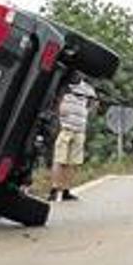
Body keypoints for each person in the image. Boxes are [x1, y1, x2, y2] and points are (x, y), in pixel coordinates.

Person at [48, 73, 97, 202]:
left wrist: (85, 113)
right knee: (60, 160)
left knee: (73, 162)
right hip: (65, 128)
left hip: (80, 130)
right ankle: (54, 188)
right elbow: (54, 100)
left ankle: (66, 190)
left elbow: (92, 104)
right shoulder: (63, 86)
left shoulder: (88, 89)